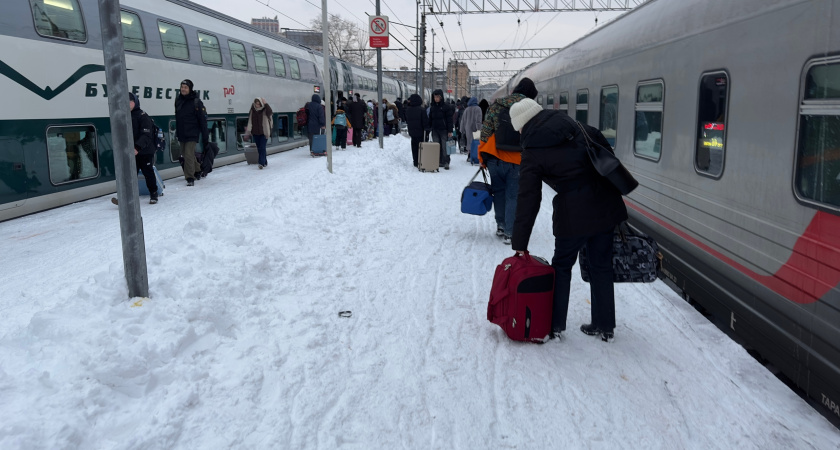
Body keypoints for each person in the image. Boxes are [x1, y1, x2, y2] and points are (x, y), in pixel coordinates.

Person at [508, 97, 628, 342]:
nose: (519, 133)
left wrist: (520, 242)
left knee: (562, 267)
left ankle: (555, 326)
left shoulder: (532, 150)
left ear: (523, 124)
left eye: (518, 128)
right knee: (601, 265)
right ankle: (605, 326)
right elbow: (607, 155)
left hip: (573, 213)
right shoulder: (577, 126)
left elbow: (528, 198)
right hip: (605, 204)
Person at [479, 77, 538, 244]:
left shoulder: (496, 105)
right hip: (518, 160)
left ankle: (501, 225)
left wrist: (482, 157)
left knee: (499, 192)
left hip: (495, 159)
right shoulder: (531, 108)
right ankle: (510, 232)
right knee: (513, 196)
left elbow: (485, 133)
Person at [174, 79, 209, 186]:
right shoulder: (178, 100)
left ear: (190, 89)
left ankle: (190, 177)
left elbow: (202, 120)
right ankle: (198, 170)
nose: (183, 89)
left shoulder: (196, 102)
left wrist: (205, 136)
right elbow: (178, 117)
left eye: (185, 87)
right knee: (185, 154)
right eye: (182, 87)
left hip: (192, 132)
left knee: (188, 154)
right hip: (182, 132)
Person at [130, 92, 159, 204]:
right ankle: (127, 197)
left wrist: (137, 147)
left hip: (145, 150)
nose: (127, 104)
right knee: (130, 174)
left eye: (130, 102)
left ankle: (153, 193)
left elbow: (146, 135)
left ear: (135, 102)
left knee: (148, 172)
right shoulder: (125, 116)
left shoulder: (143, 116)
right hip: (132, 151)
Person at [426, 89, 453, 170]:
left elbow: (449, 120)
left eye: (437, 97)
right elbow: (430, 119)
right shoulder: (432, 108)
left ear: (441, 97)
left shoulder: (446, 107)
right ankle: (438, 161)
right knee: (436, 146)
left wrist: (450, 130)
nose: (436, 98)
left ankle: (446, 161)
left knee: (445, 147)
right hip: (435, 130)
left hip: (444, 130)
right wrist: (428, 128)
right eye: (435, 97)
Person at [245, 97, 273, 169]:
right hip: (255, 132)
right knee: (259, 148)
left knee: (262, 147)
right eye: (256, 104)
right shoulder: (253, 110)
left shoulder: (265, 109)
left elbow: (270, 112)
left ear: (261, 104)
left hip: (264, 132)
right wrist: (249, 130)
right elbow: (250, 119)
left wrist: (265, 104)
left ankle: (261, 163)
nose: (257, 105)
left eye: (258, 104)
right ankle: (265, 162)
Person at [404, 93, 428, 167]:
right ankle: (421, 160)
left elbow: (407, 120)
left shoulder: (408, 110)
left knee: (414, 146)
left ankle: (415, 161)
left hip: (412, 131)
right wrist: (427, 130)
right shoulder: (422, 110)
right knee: (421, 146)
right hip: (420, 131)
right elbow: (425, 121)